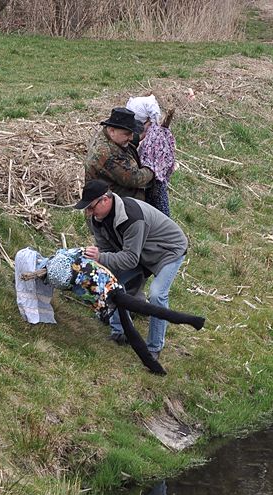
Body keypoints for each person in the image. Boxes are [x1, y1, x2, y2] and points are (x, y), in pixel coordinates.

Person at [74, 179, 188, 361]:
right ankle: (119, 333)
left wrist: (100, 257)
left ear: (104, 200)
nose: (89, 212)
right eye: (86, 209)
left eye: (91, 207)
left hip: (168, 250)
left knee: (157, 295)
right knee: (114, 283)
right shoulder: (98, 219)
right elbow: (109, 253)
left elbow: (129, 258)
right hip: (141, 251)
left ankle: (154, 348)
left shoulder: (133, 218)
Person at [85, 107, 155, 201]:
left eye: (132, 133)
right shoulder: (108, 154)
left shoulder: (105, 134)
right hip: (111, 209)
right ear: (112, 131)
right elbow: (135, 179)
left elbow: (124, 142)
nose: (130, 138)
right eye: (127, 134)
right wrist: (153, 169)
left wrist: (138, 137)